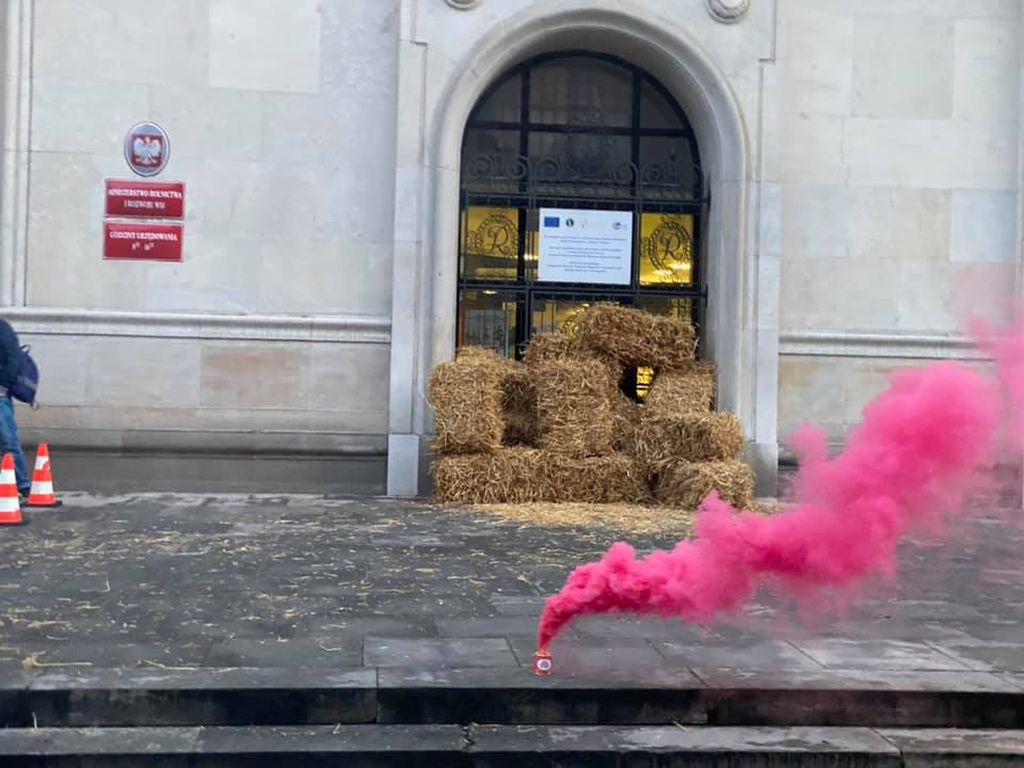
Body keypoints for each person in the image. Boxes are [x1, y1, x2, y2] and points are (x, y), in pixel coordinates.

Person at [0, 319, 30, 497]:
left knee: (8, 441)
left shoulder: (2, 329)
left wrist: (3, 384)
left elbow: (14, 359)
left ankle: (22, 485)